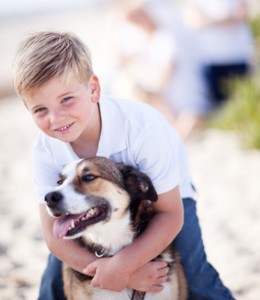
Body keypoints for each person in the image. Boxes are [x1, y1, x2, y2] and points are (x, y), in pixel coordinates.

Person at [13, 31, 235, 299]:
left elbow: (170, 214)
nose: (56, 118)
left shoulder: (142, 128)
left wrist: (124, 264)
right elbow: (53, 236)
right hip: (83, 206)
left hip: (167, 198)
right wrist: (119, 274)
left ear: (93, 89)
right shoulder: (45, 148)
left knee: (196, 273)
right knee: (53, 280)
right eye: (40, 110)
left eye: (66, 99)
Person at [183, 0, 254, 106]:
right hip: (211, 61)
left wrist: (208, 20)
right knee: (219, 107)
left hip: (238, 58)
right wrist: (227, 18)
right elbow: (195, 21)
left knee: (245, 103)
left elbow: (240, 17)